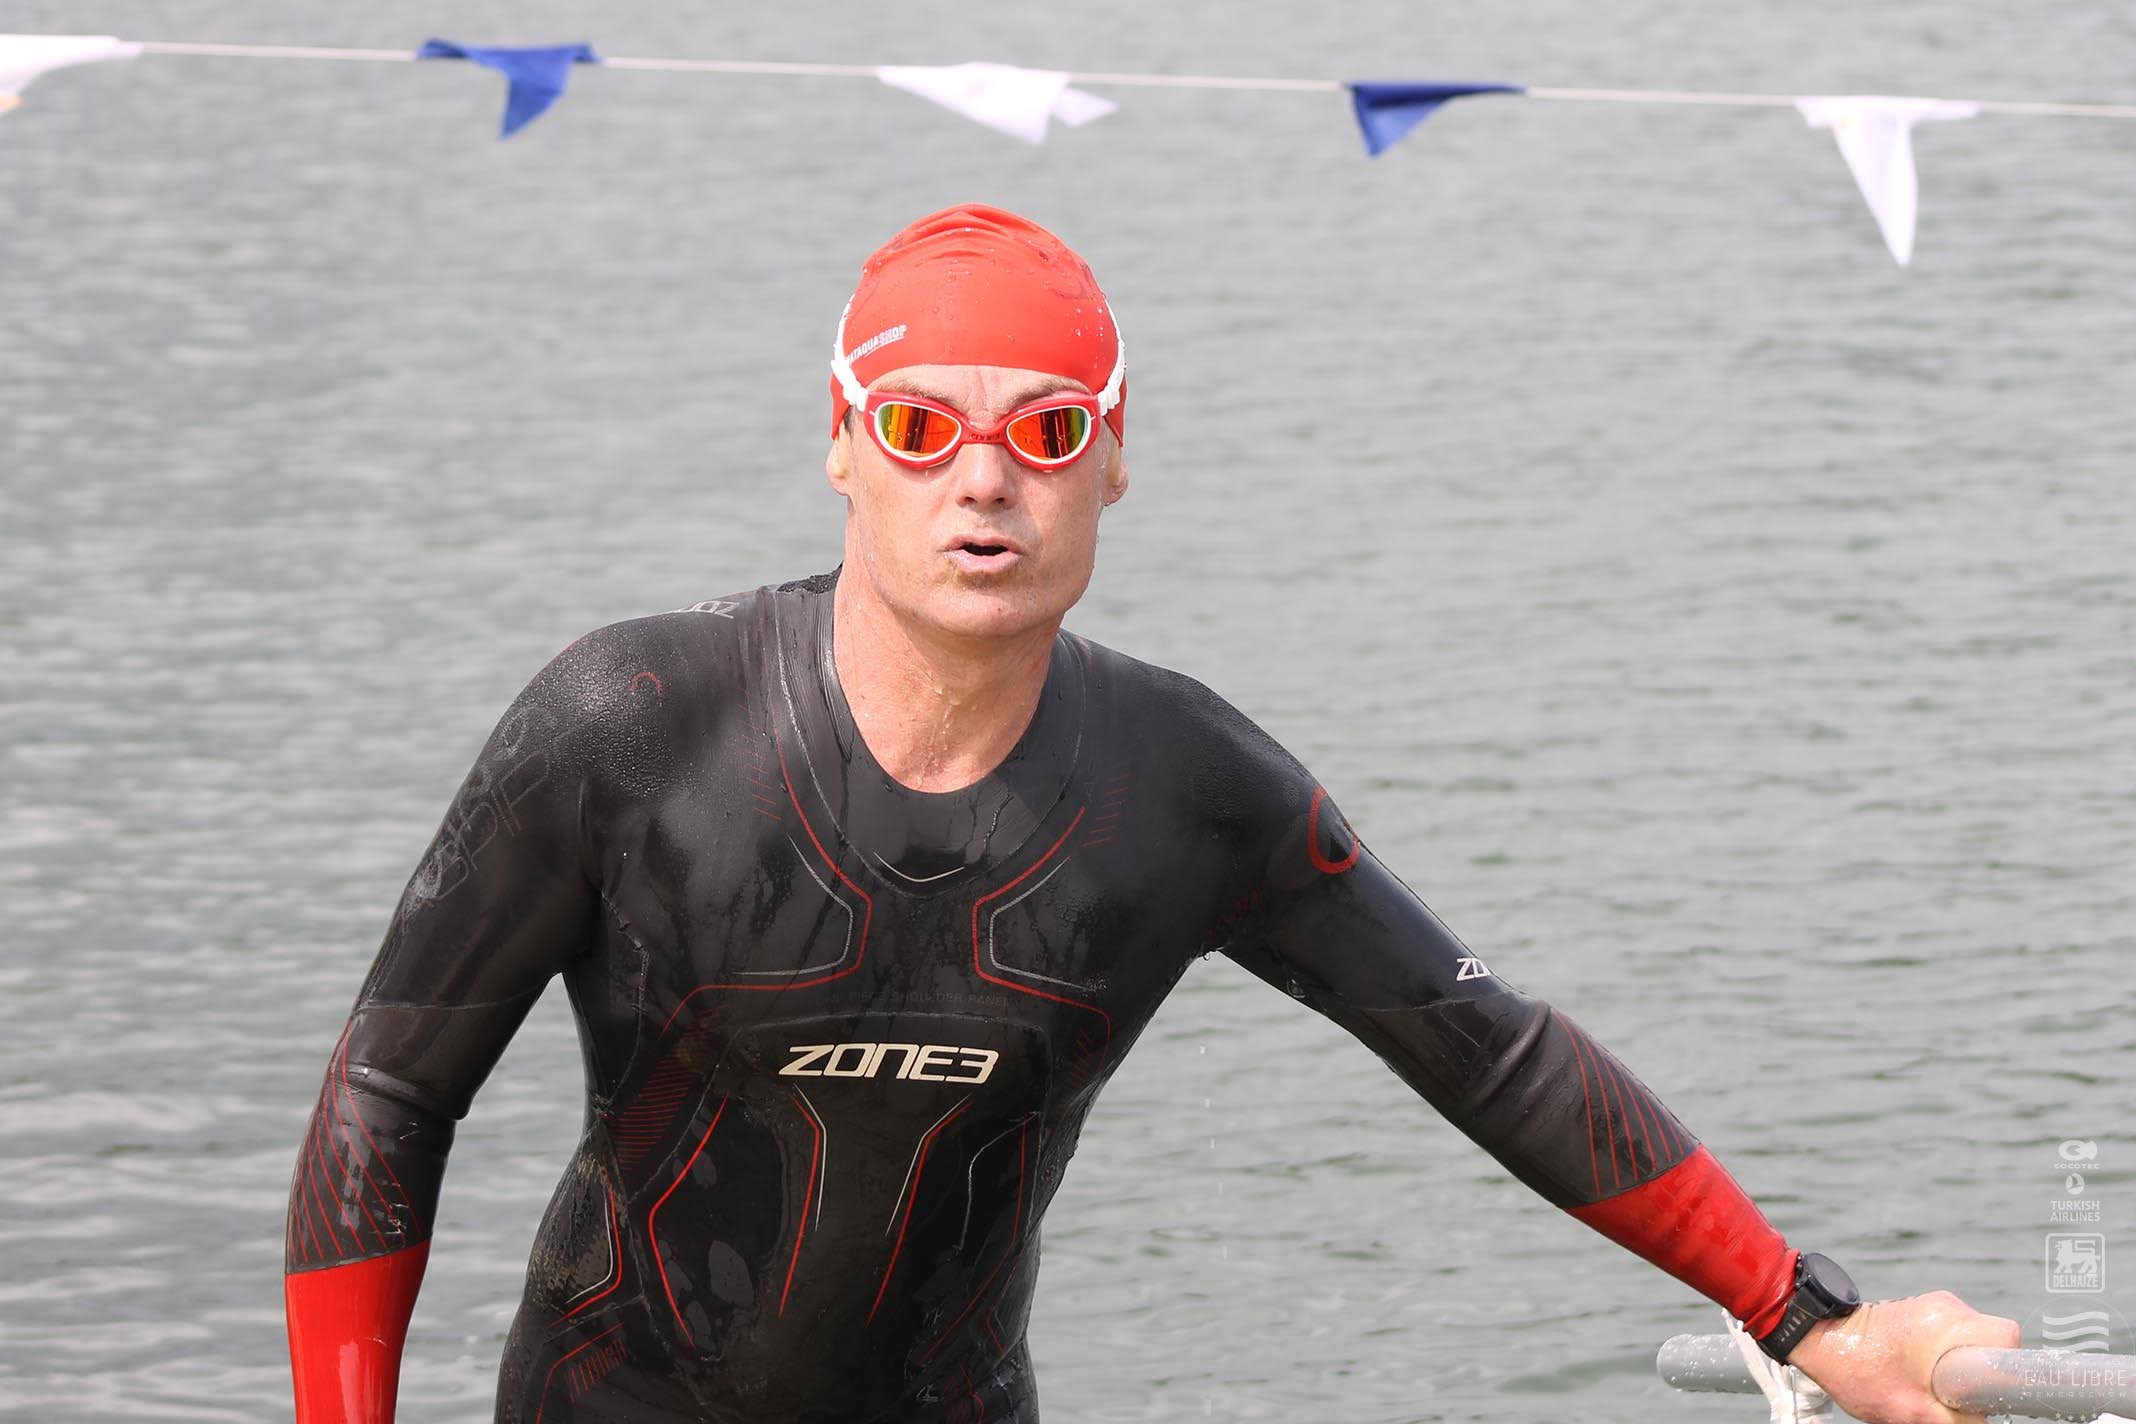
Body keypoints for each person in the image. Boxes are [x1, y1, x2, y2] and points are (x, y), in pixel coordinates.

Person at [284, 203, 2016, 1424]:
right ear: (842, 444)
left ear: (1116, 457)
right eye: (919, 425)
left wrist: (1808, 1315)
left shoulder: (1187, 789)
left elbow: (1489, 1053)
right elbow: (389, 1095)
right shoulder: (635, 725)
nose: (983, 480)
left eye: (1047, 432)